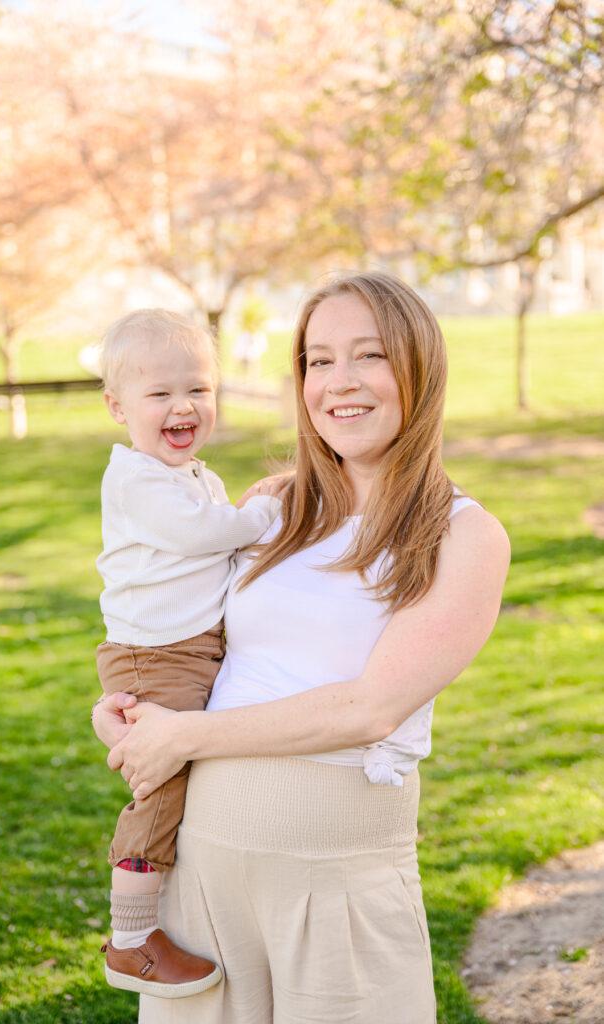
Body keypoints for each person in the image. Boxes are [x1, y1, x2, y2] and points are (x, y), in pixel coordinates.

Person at [92, 272, 511, 1024]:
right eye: (318, 361)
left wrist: (185, 735)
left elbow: (371, 707)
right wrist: (132, 712)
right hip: (205, 877)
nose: (338, 383)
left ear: (419, 368)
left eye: (368, 356)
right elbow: (191, 636)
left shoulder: (464, 535)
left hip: (338, 889)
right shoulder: (273, 506)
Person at [94, 308, 285, 999]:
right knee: (163, 781)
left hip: (184, 650)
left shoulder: (188, 473)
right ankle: (133, 936)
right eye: (160, 394)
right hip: (156, 656)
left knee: (195, 772)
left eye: (198, 389)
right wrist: (267, 510)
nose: (184, 406)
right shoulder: (140, 481)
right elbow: (210, 536)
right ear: (117, 408)